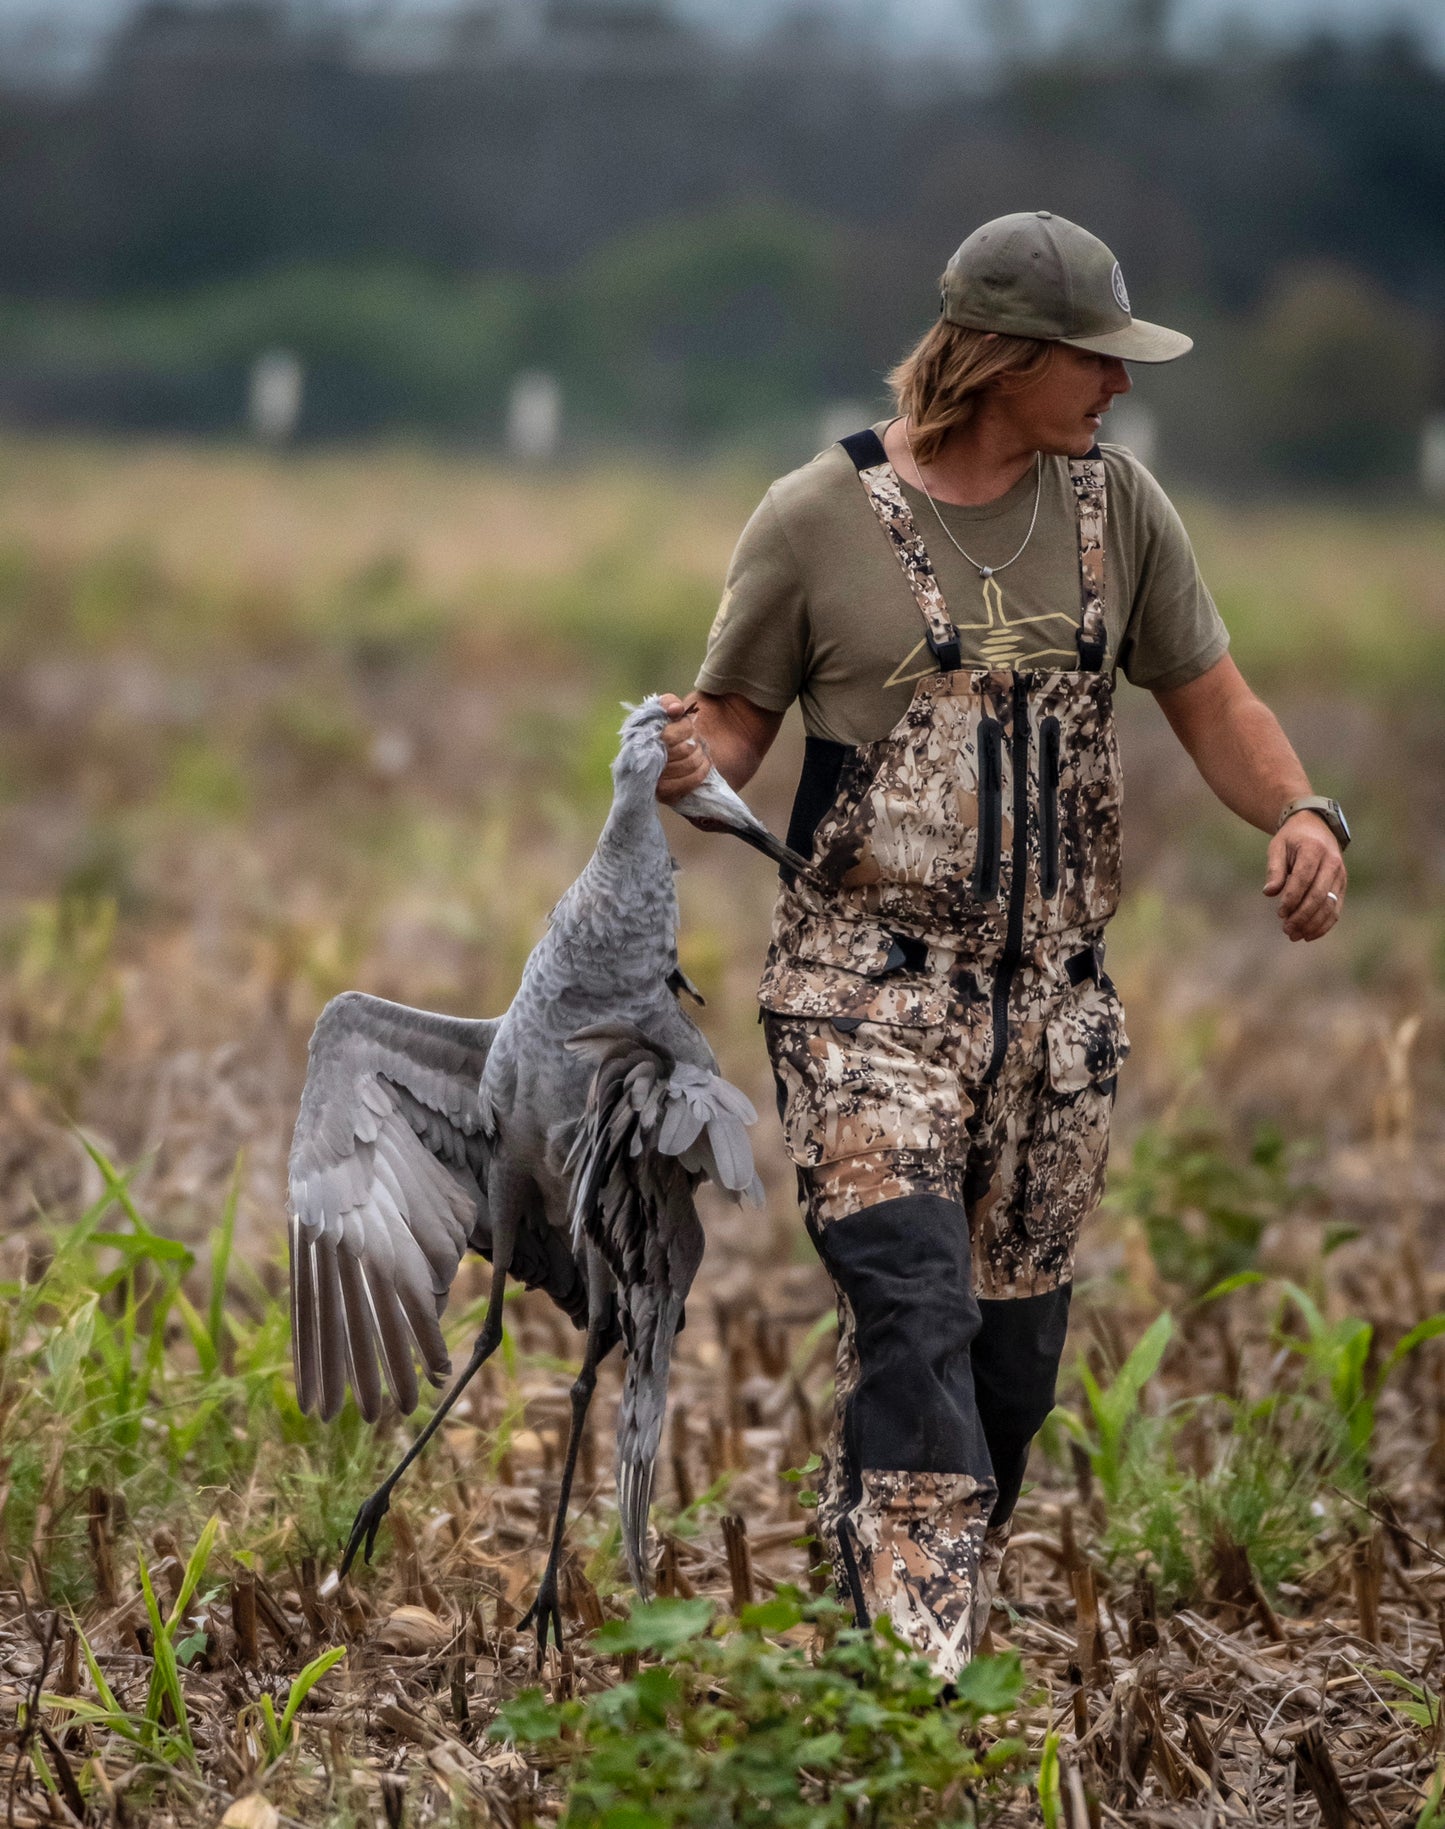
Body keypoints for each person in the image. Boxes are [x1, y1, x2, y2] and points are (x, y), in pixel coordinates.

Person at [655, 210, 1349, 1678]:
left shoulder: (1120, 512)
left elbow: (1212, 702)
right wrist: (676, 756)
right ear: (1008, 358)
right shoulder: (810, 521)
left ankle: (874, 1637)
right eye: (1094, 360)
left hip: (1053, 1021)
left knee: (1009, 1369)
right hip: (862, 995)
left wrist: (1299, 810)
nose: (1117, 387)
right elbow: (729, 730)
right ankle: (918, 1684)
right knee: (914, 1307)